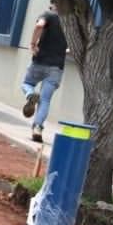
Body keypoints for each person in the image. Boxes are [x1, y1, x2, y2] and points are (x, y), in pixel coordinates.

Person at [22, 8, 68, 143]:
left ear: (53, 4)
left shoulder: (47, 15)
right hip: (56, 66)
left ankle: (30, 95)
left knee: (27, 84)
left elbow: (39, 25)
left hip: (40, 62)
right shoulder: (71, 21)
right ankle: (37, 128)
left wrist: (32, 44)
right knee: (45, 100)